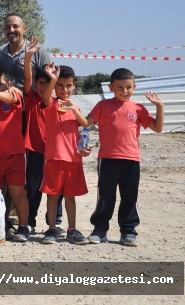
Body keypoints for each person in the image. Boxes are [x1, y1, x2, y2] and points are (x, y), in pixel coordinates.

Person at [70, 68, 164, 246]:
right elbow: (85, 122)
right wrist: (74, 109)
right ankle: (99, 230)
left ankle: (128, 232)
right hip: (107, 158)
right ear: (111, 87)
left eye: (128, 87)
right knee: (106, 196)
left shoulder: (138, 108)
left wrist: (160, 106)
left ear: (134, 87)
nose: (124, 91)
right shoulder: (103, 106)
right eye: (119, 87)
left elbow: (157, 128)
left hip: (131, 159)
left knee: (129, 196)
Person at [39, 64, 90, 245]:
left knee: (70, 196)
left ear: (74, 85)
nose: (64, 89)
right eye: (59, 85)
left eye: (68, 85)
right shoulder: (51, 104)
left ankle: (72, 229)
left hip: (73, 159)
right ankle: (52, 229)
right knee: (52, 196)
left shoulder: (75, 107)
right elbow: (46, 96)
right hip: (54, 158)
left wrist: (84, 149)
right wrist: (52, 78)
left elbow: (84, 127)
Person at [0, 68, 30, 242]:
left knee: (17, 193)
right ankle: (3, 225)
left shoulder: (14, 95)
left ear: (8, 84)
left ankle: (24, 227)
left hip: (15, 155)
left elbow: (10, 97)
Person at [22, 38, 64, 235]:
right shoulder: (31, 99)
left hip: (55, 153)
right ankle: (30, 221)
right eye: (40, 83)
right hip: (35, 151)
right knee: (33, 188)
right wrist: (29, 56)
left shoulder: (56, 103)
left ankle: (54, 222)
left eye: (48, 83)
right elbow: (28, 78)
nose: (43, 87)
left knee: (56, 189)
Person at [0, 13, 49, 92]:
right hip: (2, 102)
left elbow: (49, 83)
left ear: (24, 29)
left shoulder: (38, 52)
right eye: (7, 27)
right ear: (3, 30)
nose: (11, 30)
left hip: (30, 103)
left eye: (15, 26)